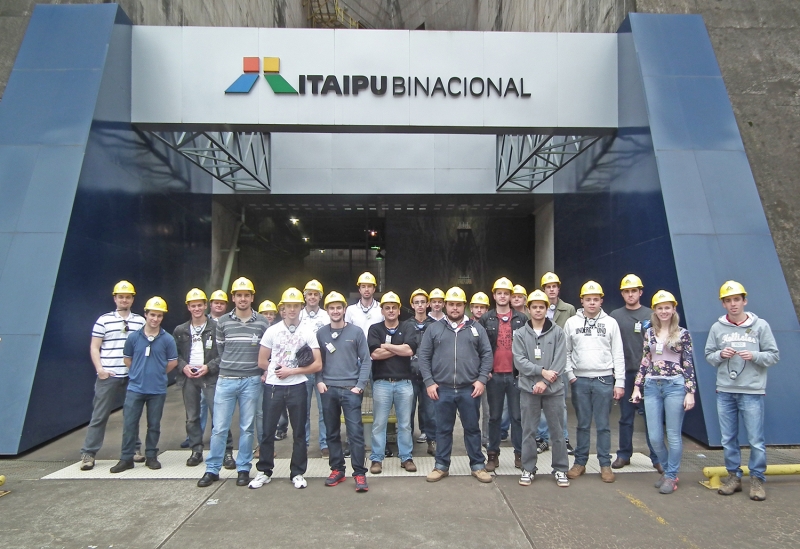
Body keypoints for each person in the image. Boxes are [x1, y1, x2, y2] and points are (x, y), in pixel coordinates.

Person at [705, 280, 779, 502]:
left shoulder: (760, 326)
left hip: (752, 391)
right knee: (728, 438)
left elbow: (773, 355)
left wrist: (754, 356)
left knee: (756, 439)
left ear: (744, 301)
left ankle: (757, 479)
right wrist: (721, 355)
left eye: (736, 299)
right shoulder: (717, 328)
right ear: (723, 304)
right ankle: (733, 477)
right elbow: (709, 355)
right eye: (728, 301)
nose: (733, 304)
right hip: (725, 390)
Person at [197, 277, 269, 488]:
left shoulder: (262, 322)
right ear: (233, 298)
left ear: (252, 297)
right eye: (239, 295)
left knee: (247, 428)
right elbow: (221, 350)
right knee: (219, 427)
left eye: (246, 295)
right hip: (226, 380)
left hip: (251, 380)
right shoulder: (223, 322)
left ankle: (243, 468)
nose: (243, 299)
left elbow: (265, 351)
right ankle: (212, 469)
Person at [418, 287, 493, 483]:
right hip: (442, 389)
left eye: (458, 304)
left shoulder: (476, 328)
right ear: (445, 305)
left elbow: (487, 355)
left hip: (469, 389)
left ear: (464, 306)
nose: (454, 308)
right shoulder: (434, 328)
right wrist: (429, 382)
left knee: (472, 429)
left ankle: (478, 466)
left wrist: (481, 379)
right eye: (451, 304)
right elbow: (423, 357)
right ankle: (441, 466)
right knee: (443, 430)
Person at [249, 288, 322, 490]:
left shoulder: (307, 332)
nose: (292, 310)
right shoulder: (272, 331)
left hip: (297, 386)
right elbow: (262, 361)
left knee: (299, 432)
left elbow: (317, 364)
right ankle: (264, 471)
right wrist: (277, 370)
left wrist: (292, 371)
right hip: (274, 387)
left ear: (301, 307)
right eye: (288, 306)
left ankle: (297, 473)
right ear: (282, 309)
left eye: (295, 306)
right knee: (268, 431)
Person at [631, 290, 696, 494]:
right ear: (655, 311)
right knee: (655, 437)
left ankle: (671, 475)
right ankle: (669, 471)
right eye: (660, 308)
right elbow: (645, 360)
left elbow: (688, 364)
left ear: (673, 309)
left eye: (667, 307)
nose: (664, 311)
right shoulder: (650, 333)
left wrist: (690, 392)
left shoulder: (683, 334)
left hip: (675, 386)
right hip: (652, 386)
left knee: (673, 435)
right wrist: (637, 386)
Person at [80, 281, 145, 471]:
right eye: (121, 297)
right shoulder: (104, 320)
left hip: (131, 376)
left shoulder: (140, 321)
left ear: (132, 299)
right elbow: (95, 347)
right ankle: (88, 453)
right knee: (99, 415)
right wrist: (100, 370)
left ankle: (134, 449)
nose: (124, 300)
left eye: (128, 297)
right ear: (115, 298)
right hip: (108, 375)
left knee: (132, 414)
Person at [564, 281, 625, 483]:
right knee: (582, 424)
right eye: (588, 299)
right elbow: (565, 351)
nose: (592, 303)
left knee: (603, 425)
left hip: (604, 379)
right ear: (581, 301)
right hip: (580, 380)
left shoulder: (611, 323)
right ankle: (580, 462)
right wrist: (570, 375)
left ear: (601, 301)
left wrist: (619, 382)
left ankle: (605, 464)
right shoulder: (571, 323)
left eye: (595, 299)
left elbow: (618, 353)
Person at [110, 297, 178, 473]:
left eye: (159, 316)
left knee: (154, 425)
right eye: (152, 315)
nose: (155, 319)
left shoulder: (168, 339)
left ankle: (151, 456)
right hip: (135, 388)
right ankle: (126, 458)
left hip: (157, 389)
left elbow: (173, 362)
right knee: (129, 424)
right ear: (146, 314)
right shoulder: (133, 338)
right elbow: (127, 359)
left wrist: (157, 372)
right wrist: (138, 372)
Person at [513, 290, 570, 487]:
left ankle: (561, 469)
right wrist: (541, 372)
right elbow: (519, 360)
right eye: (534, 307)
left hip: (554, 391)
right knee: (528, 431)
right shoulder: (520, 334)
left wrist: (545, 382)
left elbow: (560, 360)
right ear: (528, 309)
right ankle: (528, 468)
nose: (538, 310)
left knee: (558, 432)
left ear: (547, 309)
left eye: (541, 307)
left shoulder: (558, 332)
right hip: (529, 390)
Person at [316, 291, 371, 492]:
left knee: (355, 433)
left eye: (339, 307)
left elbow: (366, 360)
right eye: (332, 308)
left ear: (344, 309)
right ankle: (337, 469)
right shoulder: (321, 333)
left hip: (350, 390)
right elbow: (318, 360)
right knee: (331, 432)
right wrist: (319, 381)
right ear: (327, 310)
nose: (335, 311)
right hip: (328, 389)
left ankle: (359, 473)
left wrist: (360, 385)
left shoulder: (356, 332)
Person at [174, 288, 233, 468]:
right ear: (188, 307)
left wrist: (209, 367)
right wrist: (184, 367)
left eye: (199, 305)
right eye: (193, 306)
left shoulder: (216, 327)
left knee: (219, 415)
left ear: (205, 305)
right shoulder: (180, 330)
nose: (197, 309)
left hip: (210, 377)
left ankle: (226, 452)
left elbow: (224, 353)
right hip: (189, 378)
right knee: (192, 417)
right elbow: (175, 355)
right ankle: (196, 450)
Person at [609, 275, 661, 473]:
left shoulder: (652, 314)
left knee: (651, 417)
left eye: (634, 291)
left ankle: (656, 457)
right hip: (626, 373)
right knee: (626, 416)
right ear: (622, 294)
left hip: (648, 374)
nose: (630, 294)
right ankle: (624, 454)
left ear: (641, 292)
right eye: (626, 291)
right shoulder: (615, 316)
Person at [479, 277, 526, 471]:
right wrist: (485, 372)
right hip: (494, 376)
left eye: (506, 293)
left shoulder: (521, 319)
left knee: (517, 417)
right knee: (494, 417)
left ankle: (520, 454)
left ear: (511, 296)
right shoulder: (486, 319)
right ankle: (492, 455)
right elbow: (480, 347)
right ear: (494, 295)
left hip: (516, 375)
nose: (503, 296)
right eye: (499, 293)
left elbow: (528, 347)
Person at [368, 292, 417, 474]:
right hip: (382, 383)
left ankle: (406, 458)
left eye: (394, 307)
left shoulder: (408, 327)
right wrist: (399, 348)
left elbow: (410, 350)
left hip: (404, 383)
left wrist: (386, 346)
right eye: (387, 308)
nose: (390, 310)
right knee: (379, 424)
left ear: (399, 310)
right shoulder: (375, 329)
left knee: (405, 424)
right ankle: (376, 459)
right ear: (382, 310)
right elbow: (374, 354)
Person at [537, 271, 577, 456]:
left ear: (558, 289)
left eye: (554, 286)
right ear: (543, 289)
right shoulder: (538, 307)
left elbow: (573, 336)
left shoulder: (569, 309)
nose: (551, 290)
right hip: (541, 362)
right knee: (541, 404)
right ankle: (543, 439)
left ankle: (563, 439)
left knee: (560, 404)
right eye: (548, 287)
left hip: (561, 362)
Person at [299, 279, 331, 458]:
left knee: (324, 408)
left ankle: (325, 444)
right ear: (304, 296)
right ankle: (302, 444)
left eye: (315, 294)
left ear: (320, 297)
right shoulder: (297, 315)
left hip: (321, 368)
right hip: (302, 369)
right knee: (302, 409)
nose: (312, 297)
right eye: (309, 294)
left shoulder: (326, 316)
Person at [406, 289, 437, 455]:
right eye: (416, 302)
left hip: (429, 376)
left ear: (428, 304)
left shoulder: (435, 325)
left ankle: (432, 441)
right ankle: (407, 443)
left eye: (422, 302)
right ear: (412, 305)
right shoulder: (406, 325)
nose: (420, 305)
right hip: (409, 374)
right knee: (408, 412)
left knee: (430, 412)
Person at [469, 292, 491, 448]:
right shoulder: (466, 325)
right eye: (476, 307)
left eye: (482, 307)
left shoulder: (491, 325)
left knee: (488, 411)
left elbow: (490, 351)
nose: (479, 310)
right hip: (470, 375)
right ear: (471, 308)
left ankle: (486, 439)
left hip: (487, 374)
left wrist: (488, 370)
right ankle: (473, 439)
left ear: (487, 309)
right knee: (472, 411)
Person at [345, 272, 383, 336]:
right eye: (363, 286)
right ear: (359, 290)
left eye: (369, 286)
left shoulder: (381, 308)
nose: (366, 289)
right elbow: (347, 333)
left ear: (374, 289)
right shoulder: (351, 310)